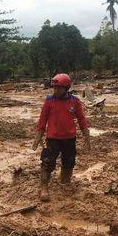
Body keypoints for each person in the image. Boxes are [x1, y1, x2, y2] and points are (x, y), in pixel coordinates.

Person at [32, 73, 91, 202]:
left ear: (67, 88)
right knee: (47, 162)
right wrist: (38, 137)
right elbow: (43, 119)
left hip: (70, 138)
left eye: (59, 88)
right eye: (54, 88)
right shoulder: (49, 101)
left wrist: (86, 135)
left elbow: (81, 118)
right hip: (53, 138)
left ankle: (65, 183)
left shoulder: (75, 101)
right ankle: (44, 187)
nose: (56, 90)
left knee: (69, 162)